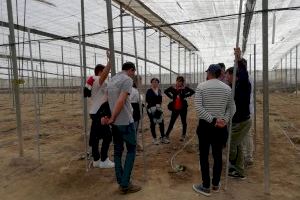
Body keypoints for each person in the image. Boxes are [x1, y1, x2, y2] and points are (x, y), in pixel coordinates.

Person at [192, 64, 235, 196]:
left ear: (210, 73)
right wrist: (224, 121)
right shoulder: (227, 88)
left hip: (206, 126)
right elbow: (232, 108)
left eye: (207, 72)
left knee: (204, 156)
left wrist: (213, 120)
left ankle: (206, 186)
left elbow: (198, 108)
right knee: (217, 156)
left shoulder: (201, 86)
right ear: (219, 73)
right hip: (221, 128)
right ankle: (215, 184)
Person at [106, 62, 141, 194]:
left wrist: (110, 118)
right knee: (131, 150)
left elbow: (107, 99)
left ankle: (121, 180)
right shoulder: (127, 80)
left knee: (118, 151)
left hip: (115, 124)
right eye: (134, 72)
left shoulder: (113, 79)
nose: (134, 75)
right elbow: (121, 101)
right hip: (125, 121)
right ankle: (126, 184)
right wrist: (113, 117)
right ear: (131, 70)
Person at [85, 51, 114, 168]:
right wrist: (110, 61)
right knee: (107, 136)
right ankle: (104, 160)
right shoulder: (97, 79)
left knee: (96, 137)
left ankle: (96, 160)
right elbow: (104, 74)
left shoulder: (92, 81)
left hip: (95, 112)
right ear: (100, 72)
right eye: (105, 72)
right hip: (100, 112)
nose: (107, 74)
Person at [225, 47, 252, 179]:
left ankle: (233, 164)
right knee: (238, 145)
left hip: (242, 121)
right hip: (238, 120)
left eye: (227, 75)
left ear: (233, 74)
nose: (225, 77)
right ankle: (239, 170)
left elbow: (244, 73)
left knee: (231, 144)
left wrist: (239, 59)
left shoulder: (243, 84)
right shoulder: (232, 87)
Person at [164, 76, 195, 142]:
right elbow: (165, 91)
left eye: (180, 81)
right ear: (176, 81)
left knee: (183, 121)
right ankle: (166, 135)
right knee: (172, 121)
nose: (179, 82)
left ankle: (183, 135)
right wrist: (171, 96)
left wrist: (186, 96)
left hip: (183, 108)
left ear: (182, 82)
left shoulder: (184, 88)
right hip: (175, 108)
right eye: (178, 81)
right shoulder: (173, 88)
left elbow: (192, 91)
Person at [146, 78, 167, 144]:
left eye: (156, 82)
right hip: (151, 108)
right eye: (153, 82)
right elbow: (147, 100)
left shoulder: (159, 90)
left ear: (158, 83)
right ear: (151, 83)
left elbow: (160, 100)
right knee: (153, 123)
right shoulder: (149, 91)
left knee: (161, 123)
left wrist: (159, 106)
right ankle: (154, 139)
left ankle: (163, 137)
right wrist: (151, 108)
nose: (154, 83)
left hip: (158, 108)